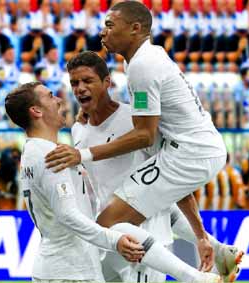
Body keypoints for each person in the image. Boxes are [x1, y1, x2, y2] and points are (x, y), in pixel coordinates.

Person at [46, 1, 232, 273]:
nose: (103, 33)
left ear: (135, 29)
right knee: (127, 217)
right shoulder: (146, 60)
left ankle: (194, 277)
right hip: (195, 149)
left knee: (108, 225)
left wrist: (82, 154)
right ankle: (216, 250)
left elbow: (144, 135)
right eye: (74, 83)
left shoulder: (142, 66)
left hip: (191, 152)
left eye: (110, 25)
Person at [6, 82, 223, 283]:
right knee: (123, 231)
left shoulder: (40, 150)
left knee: (124, 229)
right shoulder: (49, 156)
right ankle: (194, 277)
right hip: (69, 272)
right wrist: (114, 241)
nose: (59, 100)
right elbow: (67, 216)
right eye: (50, 96)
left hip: (72, 265)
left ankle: (195, 274)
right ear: (36, 111)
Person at [67, 51, 243, 282]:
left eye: (87, 81)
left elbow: (172, 182)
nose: (80, 88)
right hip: (110, 237)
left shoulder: (137, 120)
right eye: (74, 83)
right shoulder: (78, 130)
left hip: (148, 244)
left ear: (107, 82)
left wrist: (201, 236)